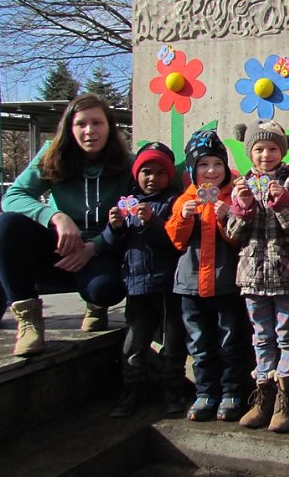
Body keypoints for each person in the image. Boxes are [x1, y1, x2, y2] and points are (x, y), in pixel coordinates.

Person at [0, 93, 132, 356]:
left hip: (101, 250)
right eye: (81, 124)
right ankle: (29, 318)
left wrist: (94, 246)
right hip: (60, 243)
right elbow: (13, 196)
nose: (90, 131)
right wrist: (55, 217)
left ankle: (95, 305)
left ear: (110, 127)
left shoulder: (127, 164)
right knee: (6, 227)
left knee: (105, 290)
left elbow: (134, 214)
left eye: (97, 123)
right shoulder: (53, 155)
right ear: (70, 128)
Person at [225, 121, 289, 433]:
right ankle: (263, 396)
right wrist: (244, 207)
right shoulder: (243, 184)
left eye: (273, 148)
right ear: (250, 153)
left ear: (283, 150)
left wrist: (283, 203)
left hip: (288, 273)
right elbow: (233, 234)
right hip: (252, 276)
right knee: (261, 337)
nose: (265, 155)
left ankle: (284, 401)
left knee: (287, 336)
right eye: (259, 149)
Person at [165, 130, 246, 422]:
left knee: (230, 343)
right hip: (189, 286)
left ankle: (232, 393)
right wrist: (184, 217)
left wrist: (227, 217)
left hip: (226, 285)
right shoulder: (184, 199)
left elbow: (240, 241)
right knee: (199, 345)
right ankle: (204, 393)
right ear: (192, 169)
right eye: (203, 165)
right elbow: (175, 241)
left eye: (217, 164)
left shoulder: (235, 194)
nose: (211, 171)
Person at [102, 142, 186, 417]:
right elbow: (113, 247)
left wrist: (152, 222)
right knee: (133, 344)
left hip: (167, 286)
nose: (153, 178)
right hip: (136, 287)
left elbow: (174, 242)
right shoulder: (127, 204)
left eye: (160, 172)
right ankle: (131, 393)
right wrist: (114, 229)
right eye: (146, 172)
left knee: (173, 344)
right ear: (136, 174)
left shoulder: (174, 202)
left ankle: (173, 392)